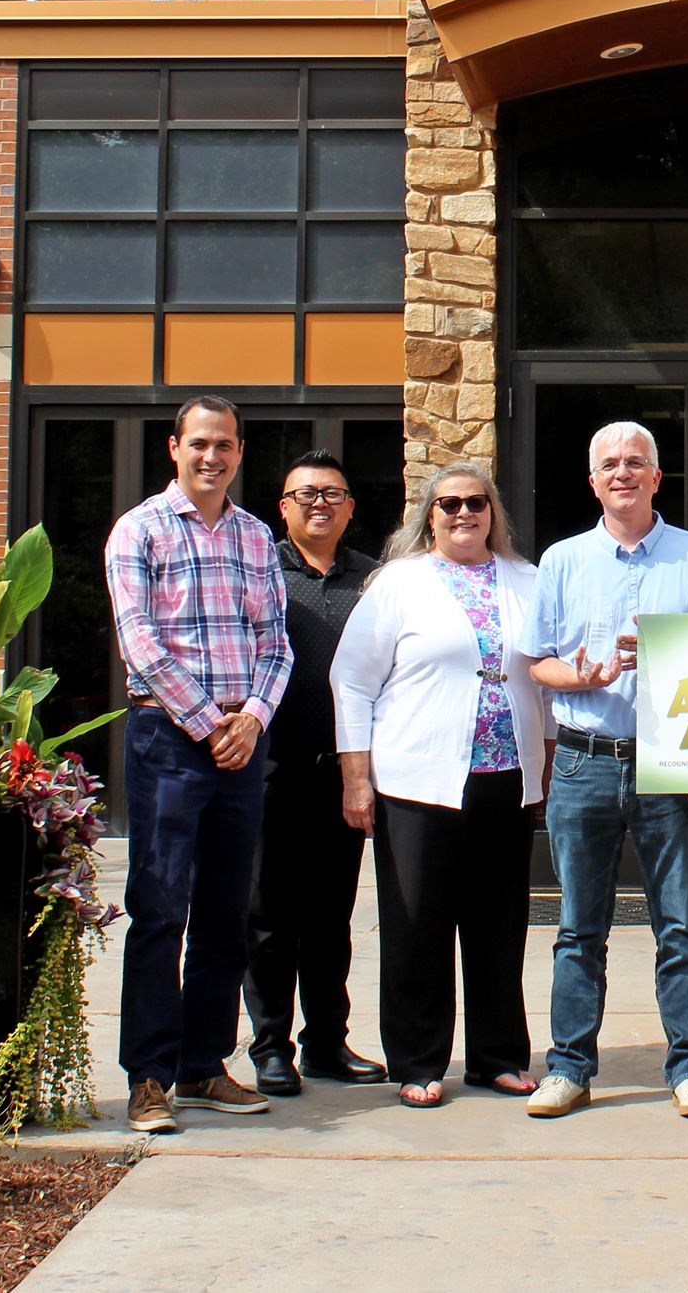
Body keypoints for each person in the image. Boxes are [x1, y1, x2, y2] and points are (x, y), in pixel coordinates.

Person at [517, 422, 688, 1122]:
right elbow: (536, 662)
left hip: (669, 762)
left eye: (637, 462)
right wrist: (574, 673)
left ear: (658, 478)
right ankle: (569, 1067)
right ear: (593, 481)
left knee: (680, 924)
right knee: (579, 927)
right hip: (583, 758)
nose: (623, 472)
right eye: (609, 463)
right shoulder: (563, 560)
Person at [330, 462, 548, 1109]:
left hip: (504, 780)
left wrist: (548, 763)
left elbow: (545, 677)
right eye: (448, 503)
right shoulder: (399, 583)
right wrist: (356, 778)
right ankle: (420, 1059)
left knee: (500, 926)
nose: (463, 513)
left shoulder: (526, 580)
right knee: (416, 926)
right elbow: (353, 679)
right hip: (418, 781)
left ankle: (498, 1056)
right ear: (429, 514)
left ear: (492, 510)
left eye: (476, 501)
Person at [106, 395, 291, 1134]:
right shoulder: (139, 530)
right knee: (160, 909)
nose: (211, 456)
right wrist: (209, 719)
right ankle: (149, 1075)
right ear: (175, 448)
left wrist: (252, 717)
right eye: (199, 443)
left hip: (242, 743)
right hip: (168, 739)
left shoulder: (254, 537)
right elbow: (138, 638)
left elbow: (276, 641)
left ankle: (204, 1065)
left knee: (225, 911)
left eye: (225, 445)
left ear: (240, 452)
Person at [240, 450, 387, 1096]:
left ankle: (326, 1041)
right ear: (284, 507)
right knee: (269, 916)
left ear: (351, 506)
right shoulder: (258, 572)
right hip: (271, 768)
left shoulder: (375, 581)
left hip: (345, 771)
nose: (319, 503)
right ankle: (271, 1046)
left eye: (332, 492)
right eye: (305, 494)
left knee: (331, 917)